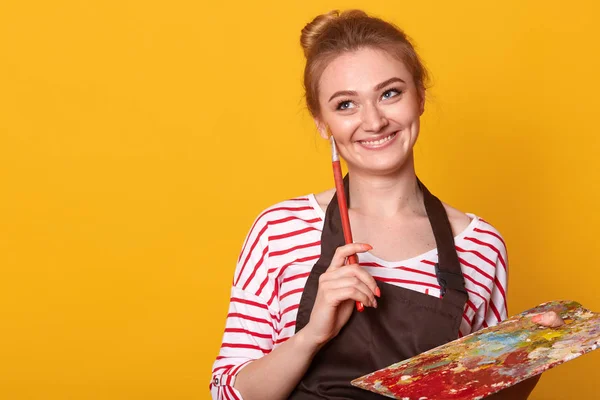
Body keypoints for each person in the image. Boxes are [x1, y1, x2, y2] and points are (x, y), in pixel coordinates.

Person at [210, 9, 563, 400]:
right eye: (346, 104)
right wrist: (312, 336)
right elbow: (228, 394)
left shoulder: (480, 246)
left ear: (420, 96)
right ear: (321, 121)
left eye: (390, 93)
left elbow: (481, 391)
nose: (374, 121)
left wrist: (531, 351)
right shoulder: (280, 231)